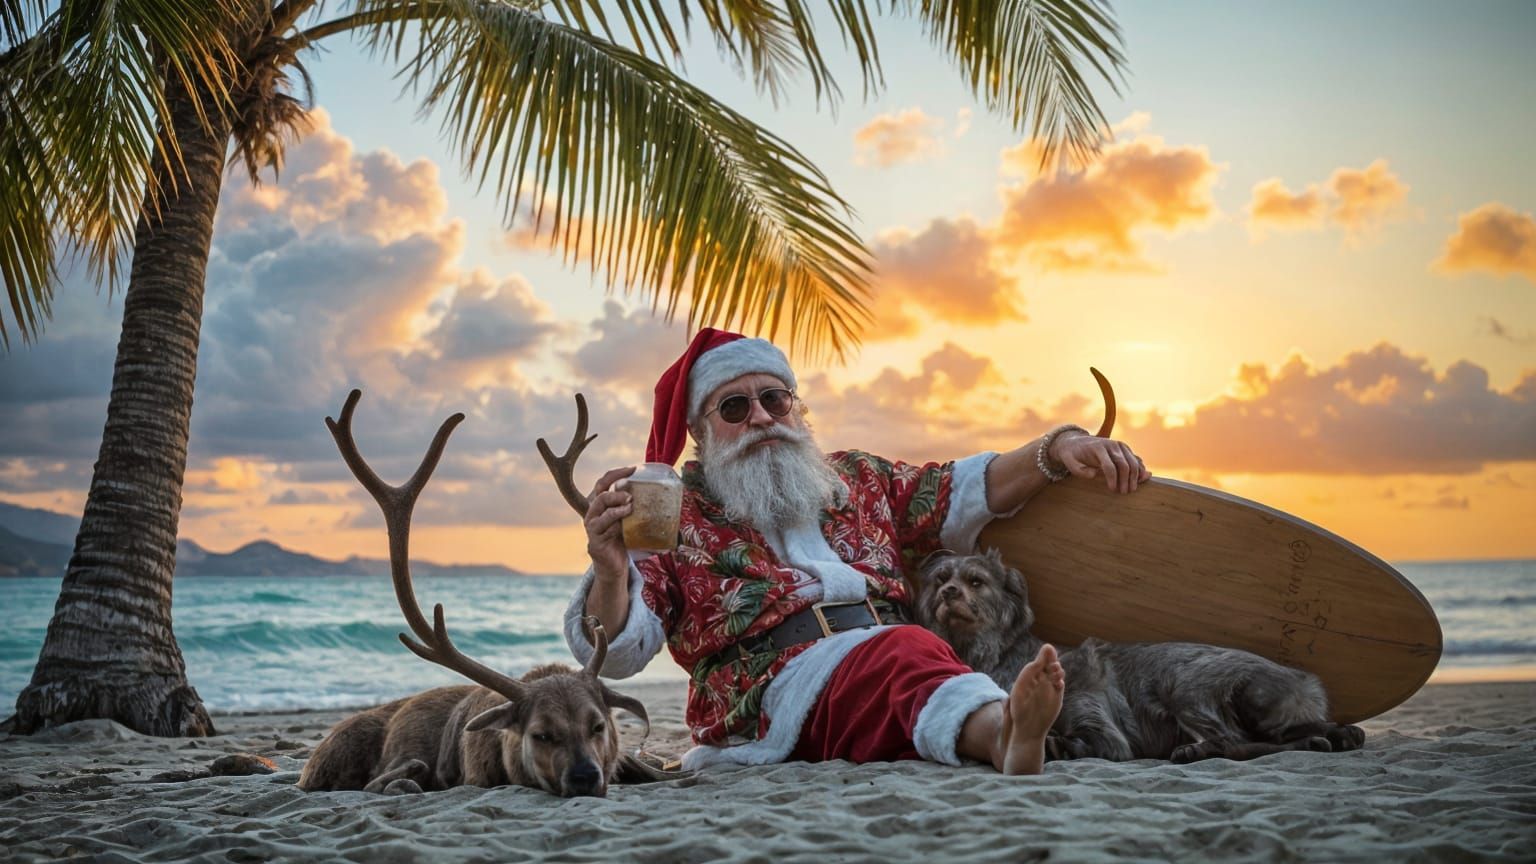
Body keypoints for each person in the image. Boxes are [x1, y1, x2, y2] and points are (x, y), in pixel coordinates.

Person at [563, 328, 1151, 773]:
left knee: (903, 658)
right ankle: (1004, 732)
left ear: (796, 407)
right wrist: (610, 570)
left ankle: (1005, 724)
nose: (763, 417)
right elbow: (618, 653)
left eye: (775, 398)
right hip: (771, 698)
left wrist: (1059, 446)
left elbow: (970, 488)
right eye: (736, 408)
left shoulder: (857, 477)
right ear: (700, 430)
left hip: (898, 665)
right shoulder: (671, 512)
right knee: (902, 651)